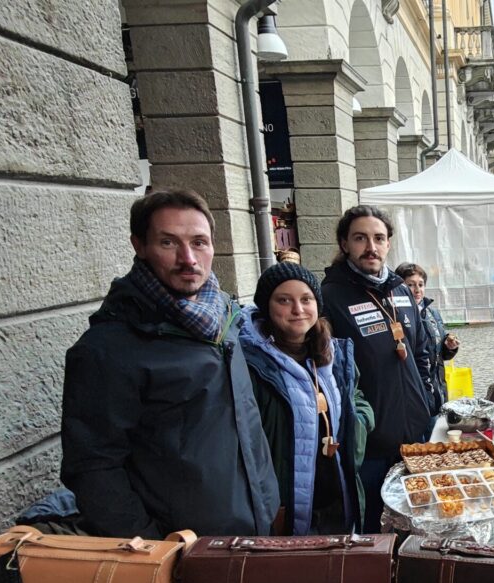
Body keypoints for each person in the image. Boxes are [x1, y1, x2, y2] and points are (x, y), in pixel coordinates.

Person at [61, 189, 280, 538]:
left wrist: (267, 500)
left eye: (199, 242)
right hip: (180, 549)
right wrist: (152, 547)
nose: (188, 258)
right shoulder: (109, 348)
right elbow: (92, 466)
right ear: (140, 246)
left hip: (251, 530)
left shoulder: (225, 320)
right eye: (168, 243)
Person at [321, 205, 436, 532]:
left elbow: (421, 350)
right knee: (373, 531)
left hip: (414, 434)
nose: (370, 247)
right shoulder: (330, 297)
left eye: (378, 238)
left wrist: (426, 399)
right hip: (369, 444)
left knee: (418, 522)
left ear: (388, 244)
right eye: (360, 238)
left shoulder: (401, 290)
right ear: (345, 244)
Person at [240, 260, 374, 535]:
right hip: (287, 500)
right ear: (267, 307)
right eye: (284, 300)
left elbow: (356, 396)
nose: (298, 309)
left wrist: (358, 422)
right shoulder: (250, 364)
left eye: (306, 299)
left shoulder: (333, 353)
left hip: (337, 490)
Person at [396, 263, 461, 418]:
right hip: (415, 388)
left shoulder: (433, 313)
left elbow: (441, 354)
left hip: (438, 386)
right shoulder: (396, 315)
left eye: (421, 284)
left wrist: (449, 346)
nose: (417, 289)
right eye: (410, 285)